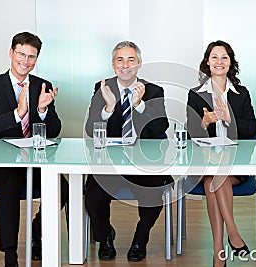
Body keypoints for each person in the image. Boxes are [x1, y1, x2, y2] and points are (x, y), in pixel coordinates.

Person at [0, 32, 69, 267]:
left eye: (31, 57)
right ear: (11, 53)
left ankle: (36, 232)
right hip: (2, 164)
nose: (25, 61)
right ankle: (10, 254)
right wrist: (18, 114)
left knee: (63, 187)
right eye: (21, 54)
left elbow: (55, 130)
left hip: (34, 162)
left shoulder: (41, 85)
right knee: (10, 183)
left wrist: (44, 111)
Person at [84, 41, 172, 262]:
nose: (125, 65)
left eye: (131, 60)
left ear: (139, 63)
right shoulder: (102, 87)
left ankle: (140, 240)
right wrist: (109, 108)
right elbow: (90, 129)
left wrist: (140, 105)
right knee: (93, 194)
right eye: (120, 60)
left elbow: (161, 127)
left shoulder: (153, 90)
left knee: (154, 196)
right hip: (110, 164)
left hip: (144, 164)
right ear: (113, 65)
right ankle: (105, 239)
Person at [186, 40, 256, 267]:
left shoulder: (241, 93)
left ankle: (220, 251)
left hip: (236, 164)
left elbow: (253, 128)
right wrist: (204, 122)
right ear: (207, 62)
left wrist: (229, 119)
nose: (219, 62)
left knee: (213, 181)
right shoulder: (196, 95)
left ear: (230, 62)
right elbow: (190, 135)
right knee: (212, 178)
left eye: (224, 57)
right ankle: (232, 237)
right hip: (206, 163)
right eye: (214, 57)